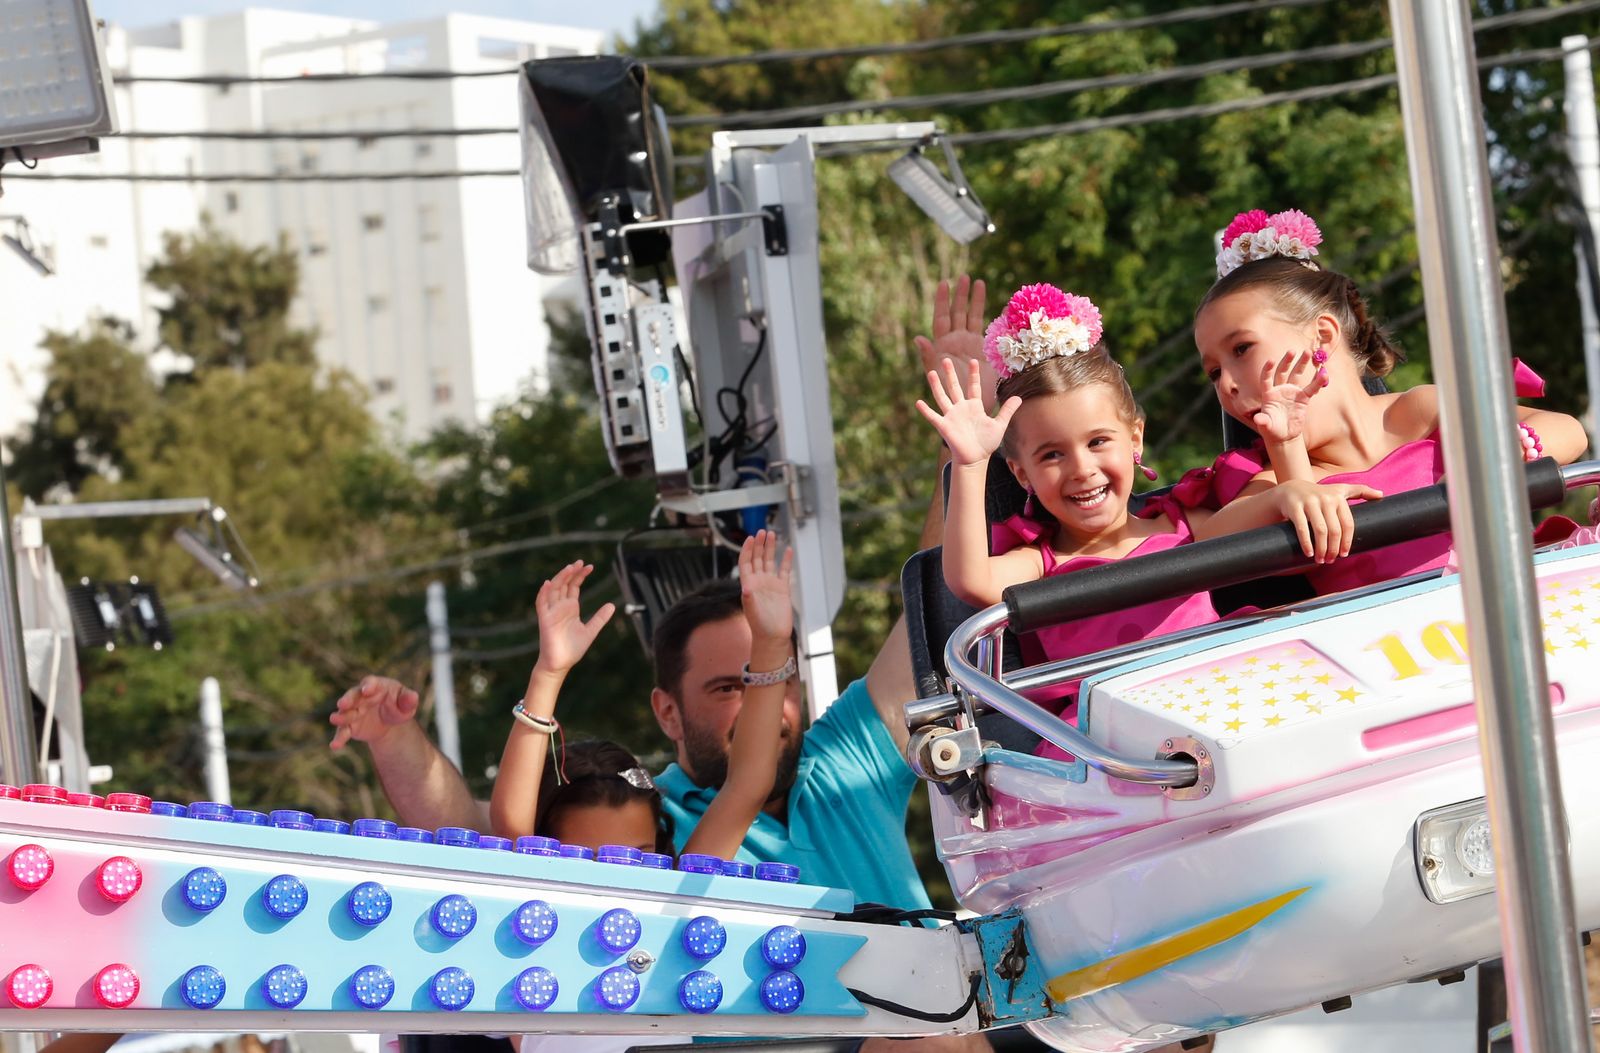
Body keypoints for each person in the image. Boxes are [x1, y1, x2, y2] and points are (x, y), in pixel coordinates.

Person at [330, 277, 1000, 1053]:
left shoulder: (843, 753)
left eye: (770, 682)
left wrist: (963, 455)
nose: (767, 707)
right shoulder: (652, 829)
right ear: (667, 713)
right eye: (729, 686)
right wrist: (400, 739)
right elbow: (491, 834)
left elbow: (935, 605)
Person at [915, 282, 1358, 757]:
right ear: (1021, 473)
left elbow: (1268, 520)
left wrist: (1293, 487)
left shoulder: (1183, 524)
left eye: (1098, 442)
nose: (1082, 469)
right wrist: (970, 464)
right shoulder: (1041, 562)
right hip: (1118, 748)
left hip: (1224, 716)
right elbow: (969, 580)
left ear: (1135, 440)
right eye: (1052, 455)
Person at [1190, 207, 1590, 593]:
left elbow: (1569, 431)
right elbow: (1209, 548)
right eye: (1213, 372)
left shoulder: (1418, 411)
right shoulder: (1270, 479)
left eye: (1241, 349)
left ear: (1322, 336)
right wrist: (1287, 477)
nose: (1225, 384)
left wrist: (1502, 449)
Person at [489, 532, 794, 864]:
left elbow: (749, 782)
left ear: (661, 846)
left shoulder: (678, 885)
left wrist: (771, 644)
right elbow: (510, 827)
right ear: (543, 851)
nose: (619, 872)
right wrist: (548, 673)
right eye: (588, 858)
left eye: (640, 858)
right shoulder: (531, 884)